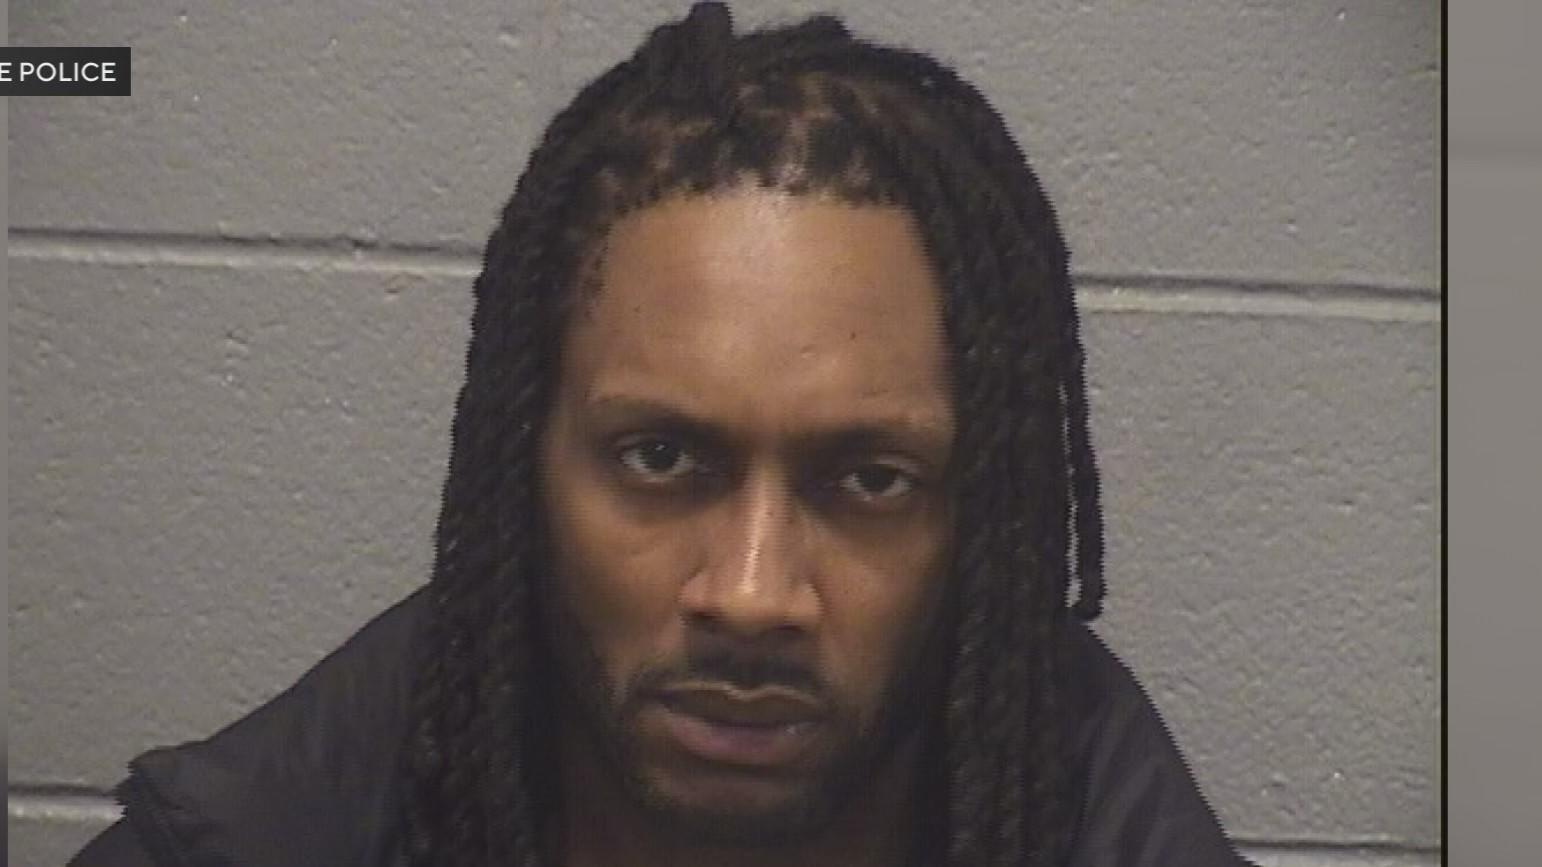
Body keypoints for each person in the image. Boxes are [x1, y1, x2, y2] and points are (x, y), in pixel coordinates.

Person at [72, 5, 1253, 866]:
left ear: (977, 521)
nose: (750, 595)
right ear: (526, 472)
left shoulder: (1099, 823)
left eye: (869, 479)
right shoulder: (267, 836)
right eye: (661, 459)